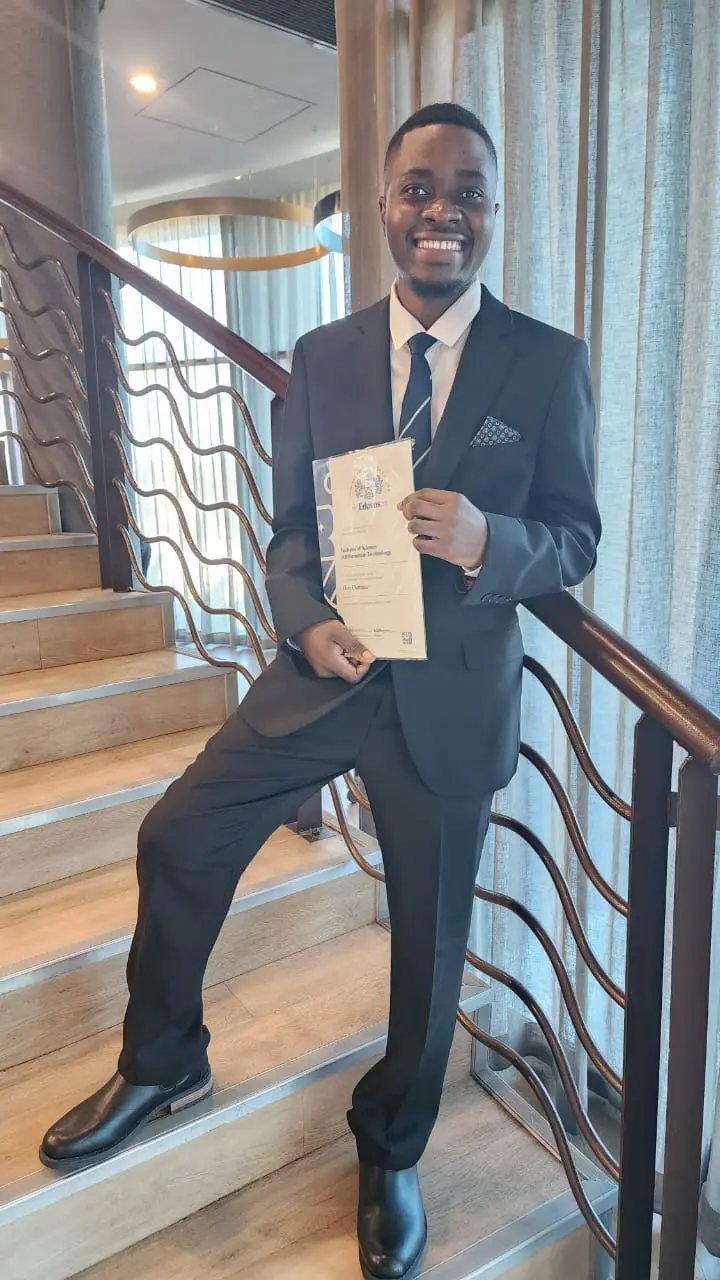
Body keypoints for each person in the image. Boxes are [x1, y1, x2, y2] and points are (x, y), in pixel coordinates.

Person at [41, 102, 601, 1280]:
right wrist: (309, 620)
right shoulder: (327, 354)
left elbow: (572, 537)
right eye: (417, 187)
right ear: (383, 204)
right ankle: (162, 1058)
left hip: (450, 700)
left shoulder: (545, 361)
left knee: (428, 948)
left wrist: (490, 537)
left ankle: (391, 1144)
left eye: (467, 190)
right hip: (327, 675)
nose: (442, 209)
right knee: (178, 833)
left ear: (492, 212)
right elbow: (290, 532)